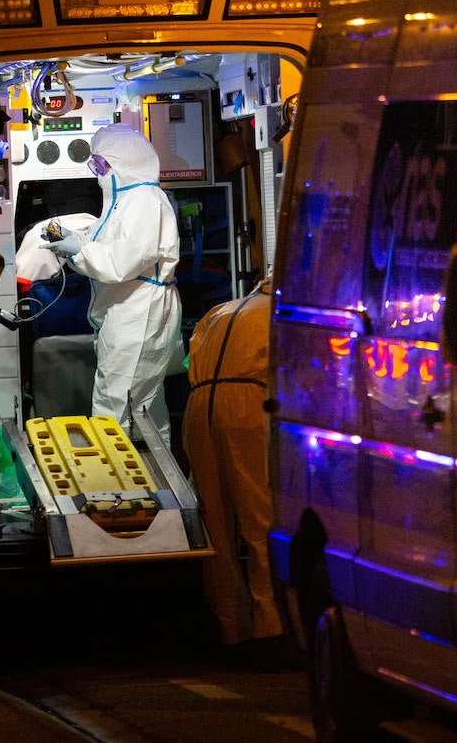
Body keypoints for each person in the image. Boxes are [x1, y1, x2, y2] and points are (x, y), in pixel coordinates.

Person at [43, 123, 181, 439]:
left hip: (139, 310)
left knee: (117, 402)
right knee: (140, 402)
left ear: (124, 162)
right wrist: (68, 238)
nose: (98, 170)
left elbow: (122, 262)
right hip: (126, 309)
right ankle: (149, 478)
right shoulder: (124, 199)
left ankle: (119, 483)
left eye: (102, 163)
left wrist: (77, 250)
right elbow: (102, 239)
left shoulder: (145, 199)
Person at [181, 280, 286, 667]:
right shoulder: (281, 313)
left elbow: (187, 364)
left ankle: (232, 628)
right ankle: (272, 629)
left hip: (199, 406)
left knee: (216, 528)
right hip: (247, 408)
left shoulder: (219, 312)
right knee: (262, 521)